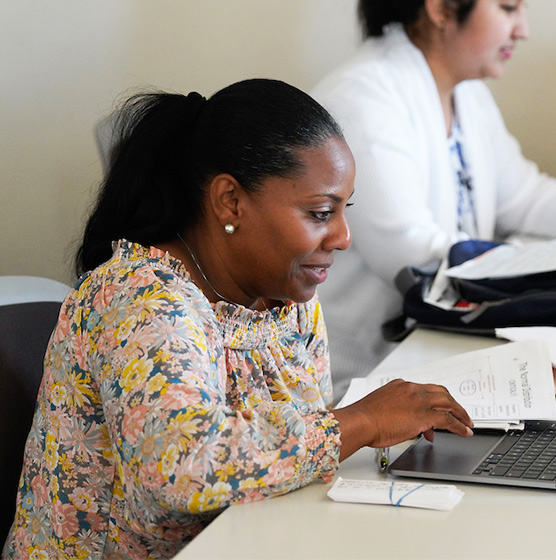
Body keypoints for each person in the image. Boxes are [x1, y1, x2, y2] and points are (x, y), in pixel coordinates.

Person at [2, 79, 473, 560]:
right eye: (319, 212)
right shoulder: (141, 299)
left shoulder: (289, 299)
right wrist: (362, 421)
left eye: (342, 211)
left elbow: (290, 453)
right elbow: (182, 468)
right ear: (230, 200)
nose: (343, 237)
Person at [310, 0, 556, 398]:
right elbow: (416, 259)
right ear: (441, 9)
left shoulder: (467, 95)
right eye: (507, 8)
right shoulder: (362, 100)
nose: (523, 30)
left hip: (434, 357)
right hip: (362, 384)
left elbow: (524, 196)